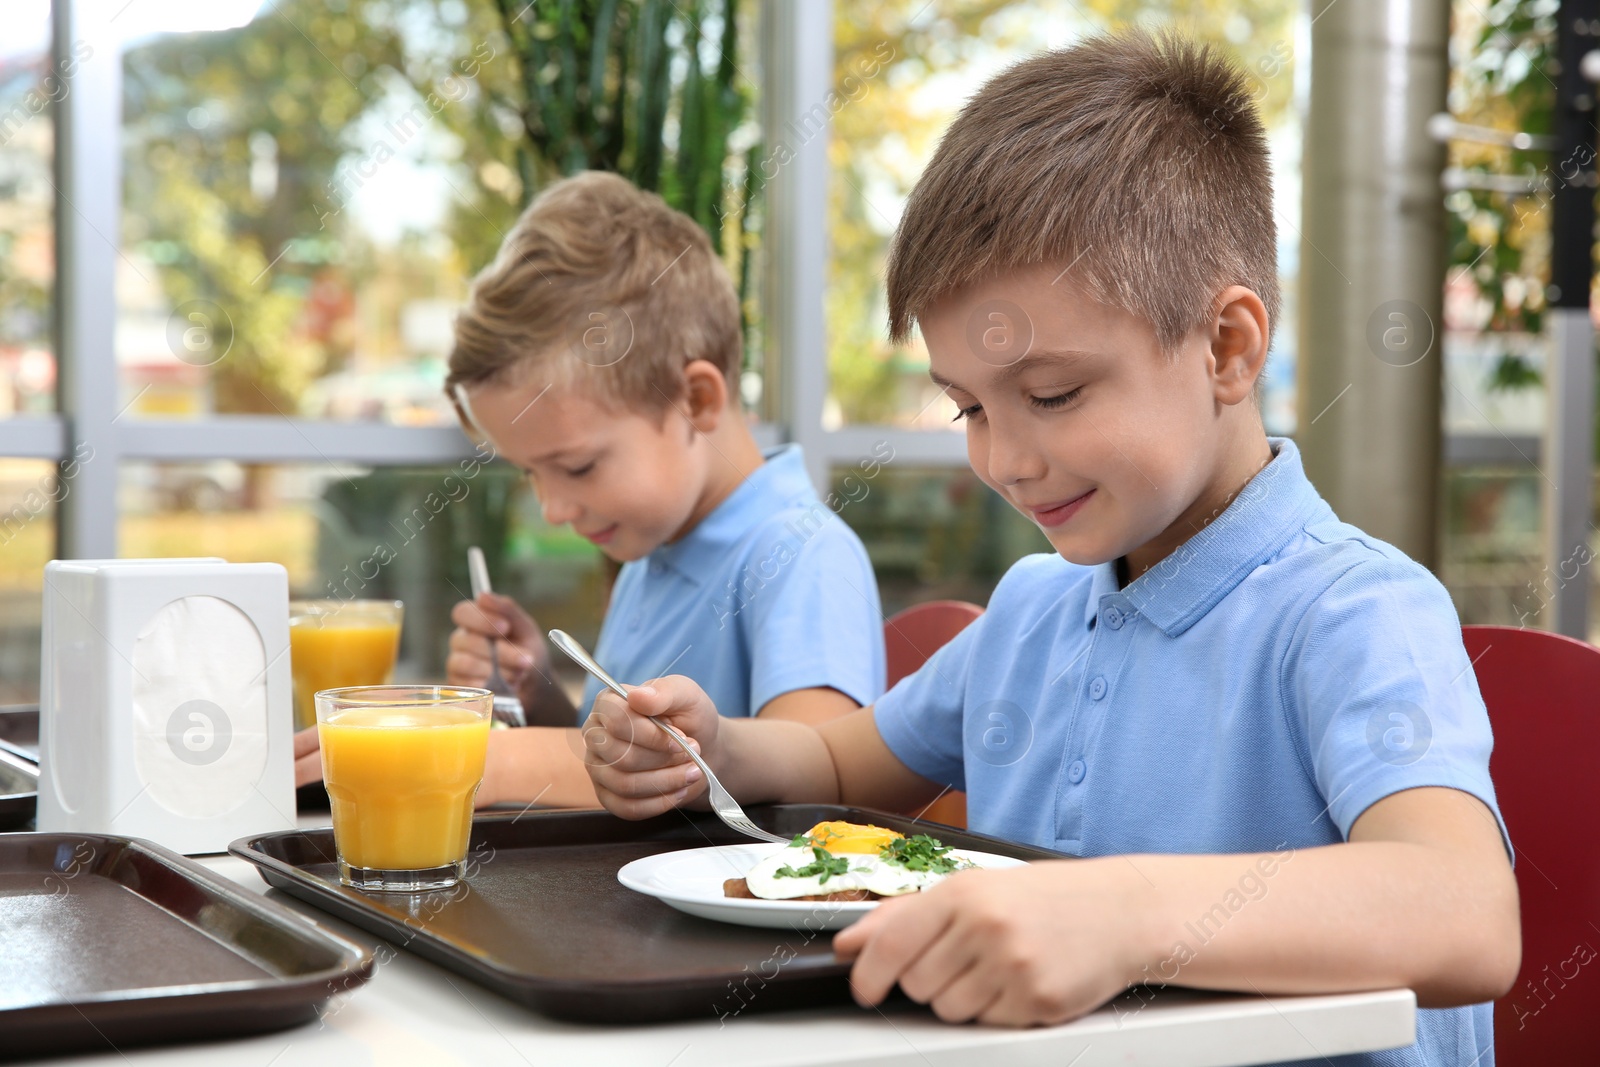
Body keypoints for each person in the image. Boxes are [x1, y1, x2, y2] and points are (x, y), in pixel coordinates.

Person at [577, 30, 1519, 1062]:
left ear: (1227, 347)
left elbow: (1465, 909)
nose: (1007, 459)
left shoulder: (1352, 609)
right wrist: (716, 749)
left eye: (1053, 394)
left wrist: (1114, 911)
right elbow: (841, 759)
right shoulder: (1033, 607)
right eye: (968, 409)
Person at [295, 171, 886, 807]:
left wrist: (483, 757)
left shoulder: (803, 554)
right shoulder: (652, 550)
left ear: (696, 400)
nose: (551, 509)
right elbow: (619, 773)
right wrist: (539, 693)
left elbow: (819, 775)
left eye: (576, 467)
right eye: (530, 472)